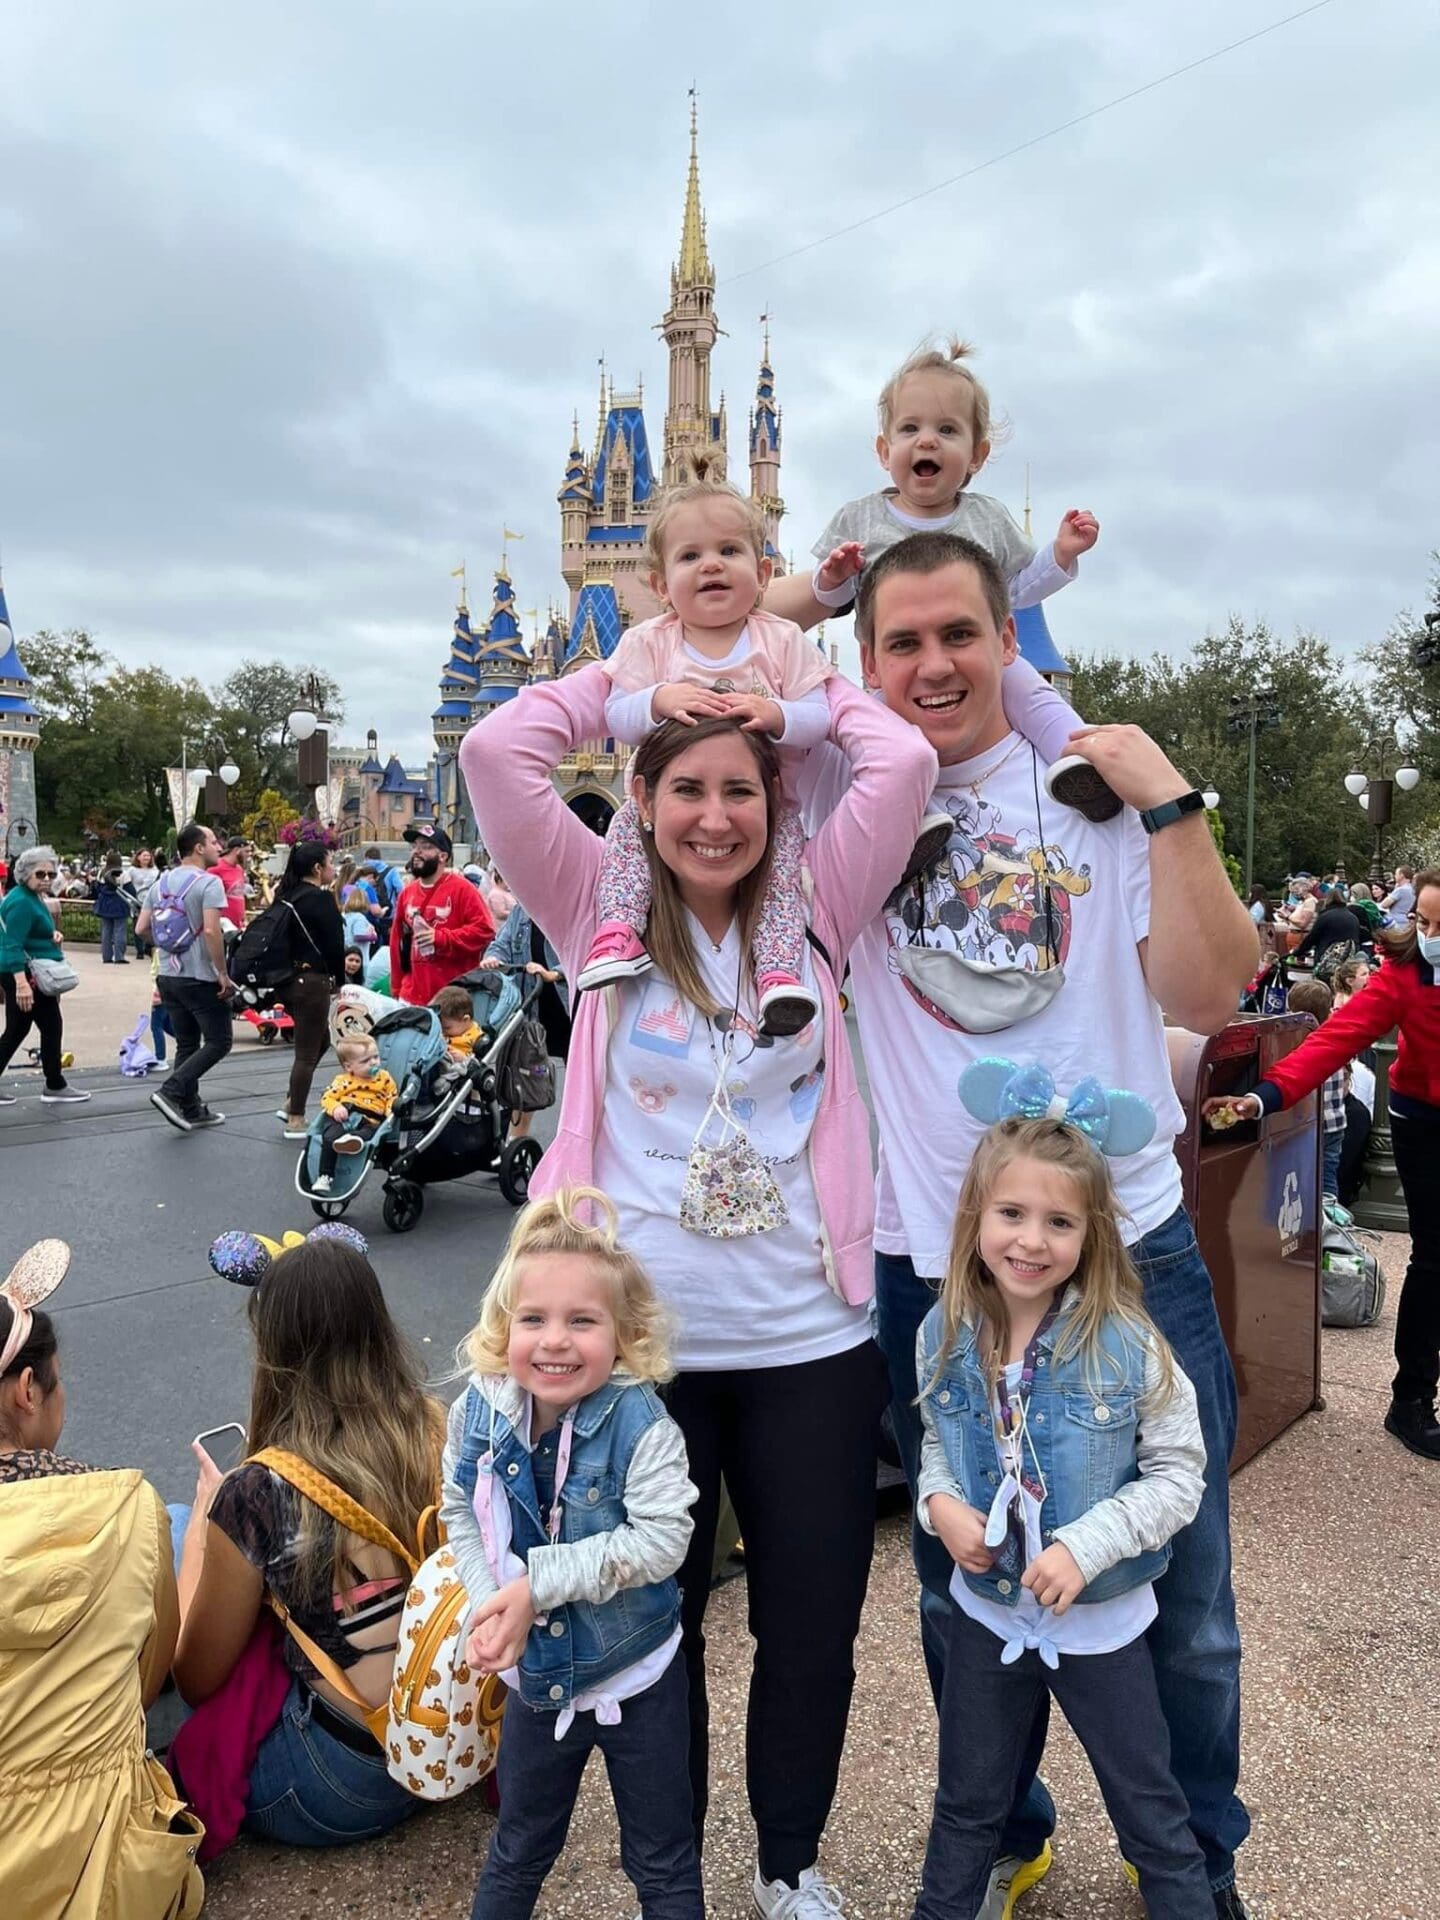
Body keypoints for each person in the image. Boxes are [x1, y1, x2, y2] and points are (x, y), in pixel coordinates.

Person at [798, 531, 1259, 1916]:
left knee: (1182, 1603)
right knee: (963, 1583)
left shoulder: (1090, 797)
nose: (933, 665)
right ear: (864, 661)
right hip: (934, 1267)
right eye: (901, 641)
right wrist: (804, 585)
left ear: (1011, 637)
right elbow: (669, 660)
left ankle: (1187, 1853)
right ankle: (1002, 1825)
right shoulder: (844, 790)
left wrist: (1171, 803)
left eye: (959, 634)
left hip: (1127, 1258)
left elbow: (1215, 990)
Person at [462, 646, 936, 1917]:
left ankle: (788, 1867)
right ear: (643, 803)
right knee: (645, 1629)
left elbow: (903, 755)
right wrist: (631, 701)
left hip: (807, 1340)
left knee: (810, 1626)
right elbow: (492, 756)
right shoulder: (588, 903)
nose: (716, 817)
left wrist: (784, 708)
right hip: (638, 1358)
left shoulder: (821, 902)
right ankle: (669, 1879)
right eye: (687, 791)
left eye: (743, 790)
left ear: (779, 804)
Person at [912, 1116, 1210, 1918]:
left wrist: (1085, 1546)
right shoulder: (940, 1331)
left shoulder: (1128, 1344)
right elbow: (938, 1440)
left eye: (1060, 1222)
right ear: (975, 1216)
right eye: (1011, 1214)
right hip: (988, 1615)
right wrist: (939, 1504)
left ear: (1092, 1233)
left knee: (1149, 1811)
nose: (1031, 1241)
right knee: (966, 1807)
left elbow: (1180, 1473)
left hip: (1099, 1624)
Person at [577, 477, 940, 1036]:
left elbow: (820, 717)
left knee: (781, 883)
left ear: (764, 573)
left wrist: (780, 717)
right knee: (626, 846)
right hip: (657, 807)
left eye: (729, 551)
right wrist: (656, 699)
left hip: (768, 811)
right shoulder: (651, 643)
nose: (711, 565)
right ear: (660, 585)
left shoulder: (781, 640)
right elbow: (616, 714)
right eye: (691, 555)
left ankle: (777, 976)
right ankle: (619, 932)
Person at [443, 1188, 703, 1919]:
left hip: (637, 1677)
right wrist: (488, 1597)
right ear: (505, 1326)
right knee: (519, 1846)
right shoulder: (479, 1412)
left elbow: (663, 1540)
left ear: (624, 1334)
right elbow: (459, 1506)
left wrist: (534, 1587)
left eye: (582, 1321)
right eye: (534, 1319)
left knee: (661, 1857)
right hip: (537, 1681)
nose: (554, 1341)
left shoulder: (642, 1424)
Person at [766, 336, 1112, 823]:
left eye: (947, 430)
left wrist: (1060, 554)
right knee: (876, 741)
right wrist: (834, 576)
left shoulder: (987, 519)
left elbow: (1017, 590)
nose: (926, 440)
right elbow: (833, 595)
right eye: (910, 428)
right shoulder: (861, 519)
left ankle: (1080, 762)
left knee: (1035, 695)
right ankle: (908, 819)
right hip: (891, 671)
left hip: (985, 660)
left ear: (977, 455)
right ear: (885, 450)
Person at [173, 1232, 444, 1845]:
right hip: (444, 1745)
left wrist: (200, 1531)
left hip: (340, 1783)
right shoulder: (435, 1429)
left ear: (273, 1348)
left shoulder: (259, 1491)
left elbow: (198, 1679)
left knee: (170, 1525)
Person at [1205, 868, 1440, 1463]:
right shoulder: (1405, 976)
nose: (1429, 933)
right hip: (1425, 1121)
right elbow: (1336, 1039)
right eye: (1423, 920)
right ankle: (1411, 1401)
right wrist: (1264, 1095)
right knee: (1435, 1257)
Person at [0, 1239, 204, 1917]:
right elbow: (152, 1673)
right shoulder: (125, 1506)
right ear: (29, 1391)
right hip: (110, 1878)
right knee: (175, 1521)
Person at [140, 821, 235, 1132]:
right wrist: (221, 971)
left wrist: (170, 946)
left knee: (187, 1042)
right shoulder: (208, 883)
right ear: (198, 847)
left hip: (168, 974)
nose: (219, 846)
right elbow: (211, 930)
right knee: (219, 1041)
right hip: (200, 976)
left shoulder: (161, 883)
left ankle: (191, 1109)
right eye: (213, 841)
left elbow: (141, 929)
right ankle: (171, 1091)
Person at [0, 845, 90, 1106]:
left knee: (19, 1029)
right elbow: (12, 944)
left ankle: (55, 1083)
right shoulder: (21, 902)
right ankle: (54, 1084)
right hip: (26, 974)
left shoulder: (28, 897)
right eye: (41, 874)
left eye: (51, 874)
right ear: (25, 873)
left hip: (25, 972)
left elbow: (23, 935)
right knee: (49, 1026)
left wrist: (51, 935)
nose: (47, 879)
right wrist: (21, 984)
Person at [273, 840, 346, 1140]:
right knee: (305, 1051)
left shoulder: (285, 895)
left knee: (321, 1040)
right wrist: (340, 981)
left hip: (287, 981)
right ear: (317, 868)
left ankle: (293, 1099)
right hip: (313, 981)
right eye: (330, 863)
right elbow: (334, 945)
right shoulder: (320, 899)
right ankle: (296, 1117)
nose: (334, 869)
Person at [481, 900, 571, 1140]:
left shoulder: (569, 904)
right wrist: (493, 957)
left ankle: (574, 1139)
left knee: (578, 1080)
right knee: (524, 1074)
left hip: (566, 1004)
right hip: (532, 1003)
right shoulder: (523, 908)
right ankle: (514, 1141)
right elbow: (502, 943)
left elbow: (583, 950)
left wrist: (555, 973)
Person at [389, 822, 493, 1006]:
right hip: (411, 996)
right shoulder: (407, 893)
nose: (417, 852)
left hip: (452, 1000)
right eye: (415, 846)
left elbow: (485, 931)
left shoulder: (463, 889)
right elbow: (397, 943)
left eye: (427, 847)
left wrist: (441, 938)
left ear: (443, 856)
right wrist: (397, 989)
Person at [1284, 979, 1347, 1205]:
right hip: (1335, 1121)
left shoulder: (1296, 1043)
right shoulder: (1334, 1037)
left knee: (1296, 1174)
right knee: (1328, 1174)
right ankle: (1330, 1220)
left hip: (1307, 1123)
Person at [312, 1035, 396, 1193]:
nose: (373, 1062)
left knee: (370, 1132)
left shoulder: (384, 1078)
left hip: (369, 1119)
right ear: (349, 1067)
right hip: (344, 1115)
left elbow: (391, 1096)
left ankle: (351, 1139)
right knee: (329, 1136)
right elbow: (328, 1097)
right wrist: (336, 1107)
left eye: (376, 1057)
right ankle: (325, 1176)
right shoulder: (343, 1080)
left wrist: (390, 1111)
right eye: (365, 1061)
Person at [1291, 881, 1365, 973]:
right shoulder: (1352, 917)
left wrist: (1298, 952)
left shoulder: (1325, 916)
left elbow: (1312, 937)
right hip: (1347, 958)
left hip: (1326, 958)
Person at [211, 835, 252, 945]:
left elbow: (239, 895)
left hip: (238, 927)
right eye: (246, 852)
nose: (249, 856)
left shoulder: (239, 869)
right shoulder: (216, 868)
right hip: (223, 928)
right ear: (236, 850)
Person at [94, 855, 133, 963]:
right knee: (119, 930)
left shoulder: (101, 873)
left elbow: (97, 888)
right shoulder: (123, 874)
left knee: (106, 931)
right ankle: (119, 956)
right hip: (119, 904)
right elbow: (130, 890)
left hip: (104, 904)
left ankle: (106, 957)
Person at [126, 846, 161, 957]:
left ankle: (148, 945)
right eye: (144, 855)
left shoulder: (155, 870)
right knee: (138, 924)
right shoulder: (132, 870)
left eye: (148, 855)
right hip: (137, 900)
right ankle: (139, 949)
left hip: (151, 900)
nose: (147, 857)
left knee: (151, 924)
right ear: (138, 857)